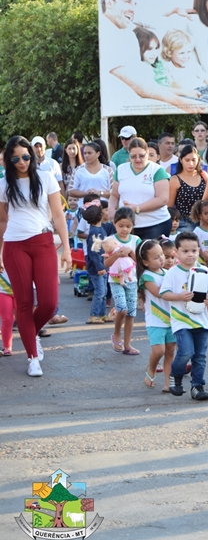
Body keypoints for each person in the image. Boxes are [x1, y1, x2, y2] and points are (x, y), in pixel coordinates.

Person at [0, 136, 72, 377]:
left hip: (43, 243)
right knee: (23, 303)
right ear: (9, 161)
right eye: (16, 158)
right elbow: (1, 221)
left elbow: (59, 216)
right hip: (14, 245)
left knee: (49, 303)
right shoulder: (3, 185)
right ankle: (32, 357)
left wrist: (67, 249)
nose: (22, 162)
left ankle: (30, 332)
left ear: (32, 156)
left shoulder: (45, 177)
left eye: (26, 156)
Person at [99, 0, 205, 113]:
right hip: (140, 105)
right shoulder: (108, 35)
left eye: (134, 4)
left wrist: (175, 10)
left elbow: (148, 18)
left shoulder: (121, 25)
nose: (132, 9)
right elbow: (141, 87)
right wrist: (181, 102)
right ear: (109, 3)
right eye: (127, 1)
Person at [160, 232, 208, 400]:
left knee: (200, 356)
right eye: (185, 251)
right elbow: (164, 293)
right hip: (182, 321)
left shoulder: (204, 270)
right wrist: (179, 296)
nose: (190, 254)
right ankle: (175, 374)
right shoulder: (172, 273)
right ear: (176, 252)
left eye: (194, 250)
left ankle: (197, 386)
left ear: (199, 251)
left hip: (201, 321)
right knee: (186, 352)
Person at [109, 137, 172, 241]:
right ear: (128, 154)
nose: (138, 159)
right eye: (133, 156)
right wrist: (111, 209)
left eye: (141, 156)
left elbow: (163, 199)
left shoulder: (157, 170)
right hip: (128, 226)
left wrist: (137, 208)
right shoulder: (121, 169)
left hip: (155, 223)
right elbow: (114, 194)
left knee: (149, 255)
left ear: (147, 153)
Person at [137, 239, 175, 392]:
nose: (161, 259)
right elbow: (160, 293)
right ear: (145, 262)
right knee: (159, 351)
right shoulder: (146, 277)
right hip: (156, 321)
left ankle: (168, 384)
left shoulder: (168, 272)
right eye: (156, 257)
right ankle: (151, 370)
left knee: (170, 351)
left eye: (162, 255)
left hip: (172, 320)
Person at [104, 207, 141, 356]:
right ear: (114, 223)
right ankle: (116, 334)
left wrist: (131, 252)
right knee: (122, 308)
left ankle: (127, 345)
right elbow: (106, 263)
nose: (124, 229)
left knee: (131, 313)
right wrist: (118, 254)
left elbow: (141, 262)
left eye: (128, 226)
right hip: (115, 280)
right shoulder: (110, 240)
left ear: (133, 226)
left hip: (132, 281)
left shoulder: (136, 240)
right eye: (121, 226)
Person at [167, 145, 207, 233]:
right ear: (181, 160)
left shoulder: (203, 175)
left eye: (193, 160)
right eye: (187, 160)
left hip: (203, 220)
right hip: (184, 221)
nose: (191, 164)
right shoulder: (175, 179)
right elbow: (170, 206)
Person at [84, 205, 111, 324]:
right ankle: (93, 315)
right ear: (100, 216)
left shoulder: (100, 229)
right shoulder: (95, 232)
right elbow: (93, 252)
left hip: (104, 266)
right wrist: (99, 267)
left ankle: (102, 314)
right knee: (100, 292)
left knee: (104, 292)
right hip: (97, 268)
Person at [69, 142, 112, 207]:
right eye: (85, 153)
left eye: (89, 153)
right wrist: (87, 194)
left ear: (98, 154)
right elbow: (71, 191)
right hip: (84, 210)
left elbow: (114, 192)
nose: (86, 156)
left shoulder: (108, 170)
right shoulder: (78, 171)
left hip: (103, 209)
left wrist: (99, 193)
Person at [0, 267, 14, 356]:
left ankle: (33, 346)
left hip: (21, 289)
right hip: (2, 289)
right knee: (7, 319)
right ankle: (7, 346)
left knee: (25, 319)